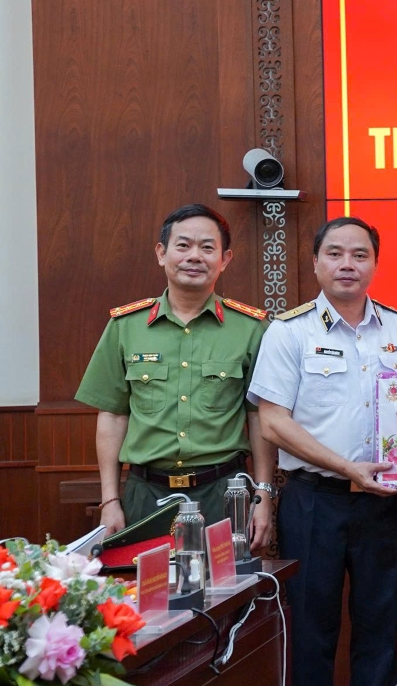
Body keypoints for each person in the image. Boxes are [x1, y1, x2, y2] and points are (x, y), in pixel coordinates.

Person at [248, 216, 397, 686]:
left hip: (385, 504)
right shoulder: (289, 332)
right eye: (335, 253)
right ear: (317, 262)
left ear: (375, 263)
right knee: (312, 628)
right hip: (313, 501)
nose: (347, 264)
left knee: (380, 625)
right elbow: (273, 423)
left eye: (359, 254)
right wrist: (347, 466)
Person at [75, 203, 274, 547]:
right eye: (183, 245)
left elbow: (259, 417)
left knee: (228, 582)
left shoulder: (251, 329)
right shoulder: (126, 326)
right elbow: (112, 415)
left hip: (224, 492)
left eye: (207, 247)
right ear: (161, 253)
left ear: (225, 259)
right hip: (146, 494)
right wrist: (110, 500)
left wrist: (263, 494)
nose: (194, 256)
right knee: (146, 582)